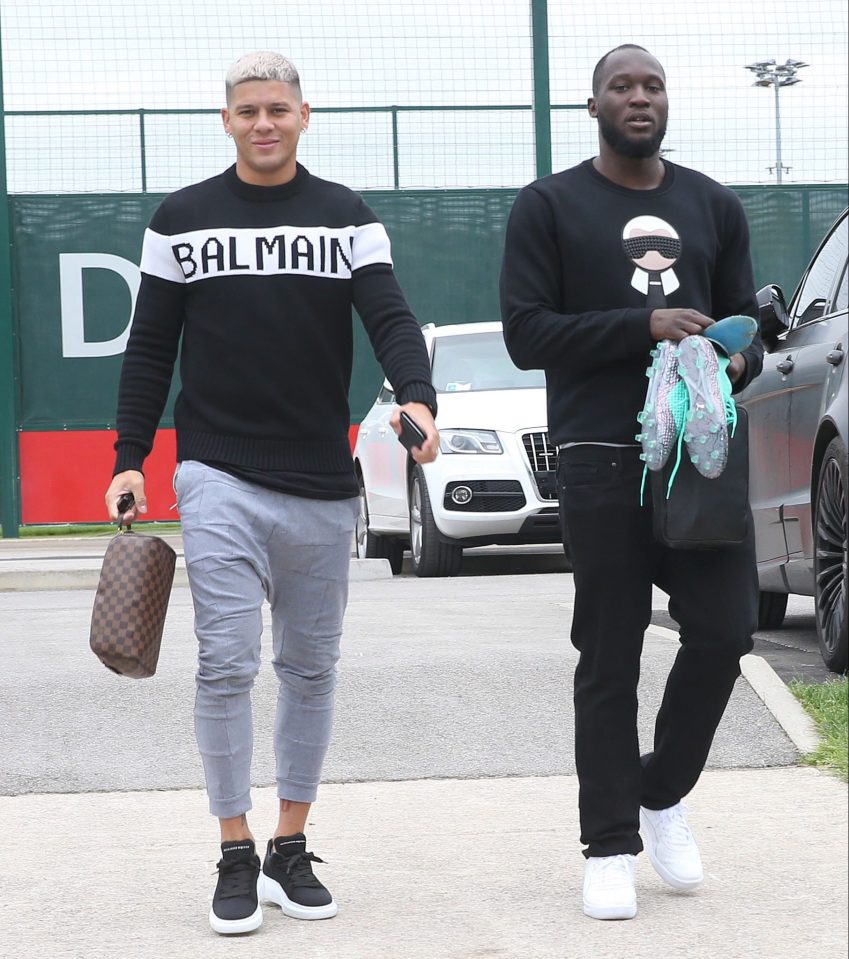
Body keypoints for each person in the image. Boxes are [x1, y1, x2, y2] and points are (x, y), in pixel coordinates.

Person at [104, 51, 438, 935]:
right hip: (215, 472)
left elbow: (391, 318)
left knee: (310, 667)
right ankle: (234, 851)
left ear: (303, 116)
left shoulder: (344, 218)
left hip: (320, 482)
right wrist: (130, 455)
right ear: (226, 120)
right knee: (224, 662)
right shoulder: (182, 219)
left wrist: (416, 395)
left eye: (278, 109)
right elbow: (149, 349)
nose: (263, 122)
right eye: (248, 109)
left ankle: (290, 843)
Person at [499, 44, 763, 921]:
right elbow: (527, 334)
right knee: (608, 654)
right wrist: (642, 324)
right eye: (622, 85)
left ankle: (657, 792)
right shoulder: (549, 204)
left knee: (725, 632)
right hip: (598, 458)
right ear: (593, 105)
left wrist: (721, 354)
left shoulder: (711, 203)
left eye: (652, 84)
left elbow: (749, 341)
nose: (639, 97)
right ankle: (608, 843)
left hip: (699, 463)